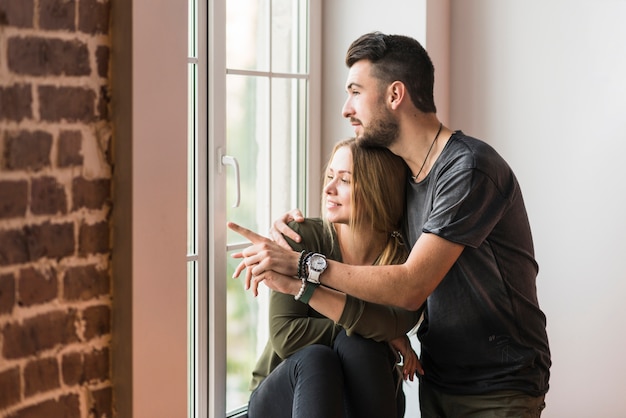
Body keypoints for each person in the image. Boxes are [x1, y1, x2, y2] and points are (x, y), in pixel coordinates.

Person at [230, 31, 551, 417]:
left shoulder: (469, 169)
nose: (346, 109)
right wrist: (288, 231)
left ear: (395, 95)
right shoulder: (407, 180)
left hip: (499, 387)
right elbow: (356, 218)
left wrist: (302, 266)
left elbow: (411, 285)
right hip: (442, 379)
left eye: (355, 92)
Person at [231, 138, 423, 418]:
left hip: (359, 398)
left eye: (344, 180)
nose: (328, 189)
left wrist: (377, 331)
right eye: (330, 176)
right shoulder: (300, 237)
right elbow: (286, 336)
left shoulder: (404, 262)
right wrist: (378, 330)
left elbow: (396, 321)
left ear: (378, 189)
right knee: (317, 357)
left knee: (359, 344)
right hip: (286, 397)